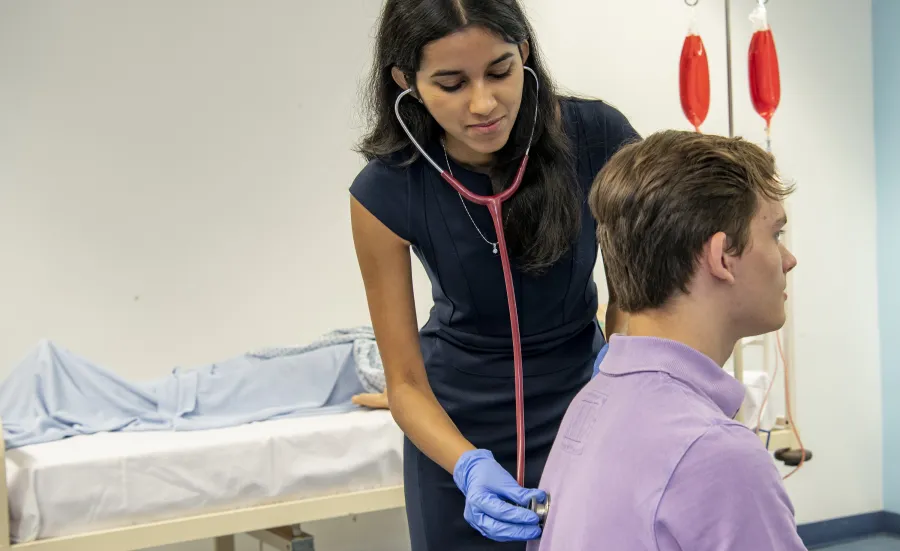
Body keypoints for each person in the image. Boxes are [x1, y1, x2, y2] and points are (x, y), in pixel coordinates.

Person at [348, 0, 638, 549]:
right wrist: (466, 469)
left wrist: (620, 368)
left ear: (524, 52)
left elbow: (641, 286)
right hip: (453, 435)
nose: (483, 104)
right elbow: (405, 386)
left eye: (501, 71)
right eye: (451, 84)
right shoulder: (385, 190)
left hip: (584, 415)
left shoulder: (599, 137)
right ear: (406, 81)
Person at [527, 130, 806, 551]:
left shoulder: (591, 403)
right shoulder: (716, 452)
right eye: (776, 235)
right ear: (722, 257)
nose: (789, 260)